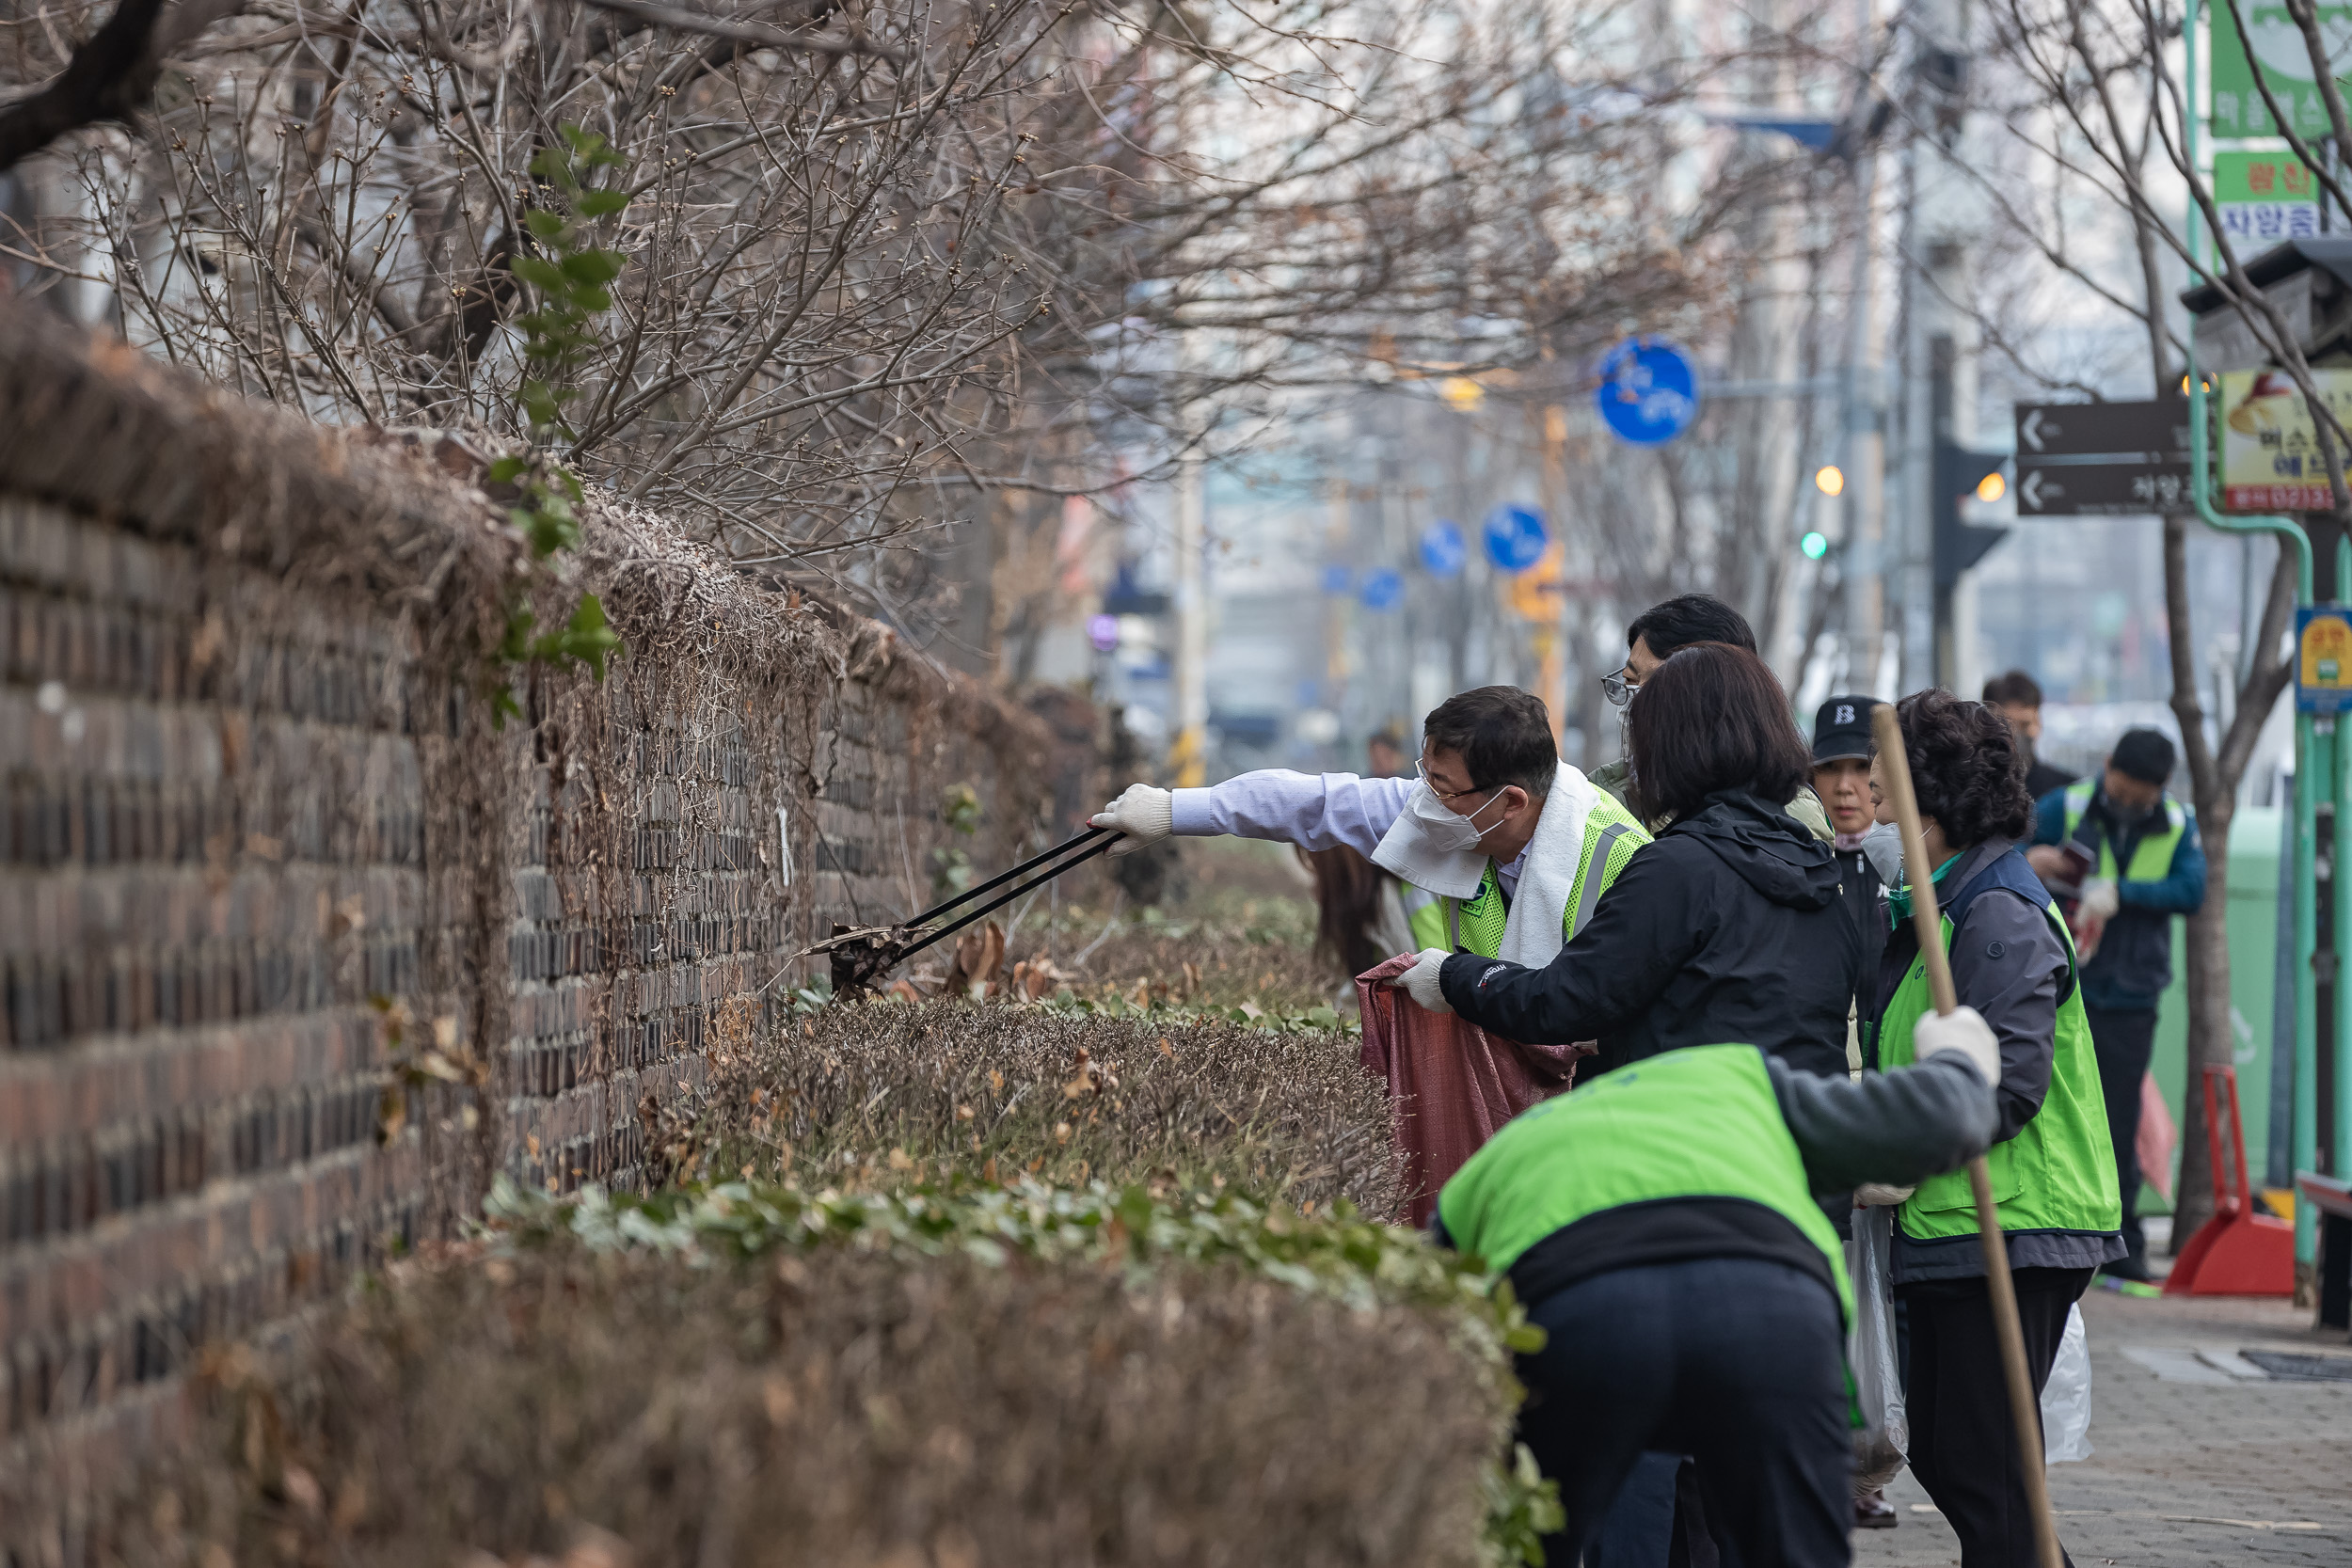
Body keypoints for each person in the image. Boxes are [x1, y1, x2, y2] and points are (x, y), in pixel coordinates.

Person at [1434, 1018, 2004, 1566]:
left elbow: (1430, 1309)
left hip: (1580, 1315)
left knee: (1525, 1541)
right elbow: (1932, 1124)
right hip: (1768, 1310)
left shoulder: (1511, 1146)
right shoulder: (1744, 1084)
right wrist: (1960, 1062)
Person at [1868, 689, 2123, 1568]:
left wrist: (1889, 1136)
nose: (1867, 804)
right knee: (1948, 1450)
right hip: (1955, 1225)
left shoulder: (1996, 912)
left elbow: (2009, 1082)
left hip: (2014, 1226)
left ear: (1927, 804)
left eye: (1880, 786)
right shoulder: (1937, 904)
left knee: (1984, 1464)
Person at [1391, 643, 1855, 1083]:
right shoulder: (1818, 870)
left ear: (1671, 748)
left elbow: (1563, 1000)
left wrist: (1451, 975)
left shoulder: (1681, 868)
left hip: (1697, 1141)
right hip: (1798, 1143)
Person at [1089, 686, 1649, 974]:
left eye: (1444, 787)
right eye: (1422, 775)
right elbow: (1311, 803)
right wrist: (1172, 811)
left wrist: (1460, 984)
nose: (1423, 801)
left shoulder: (1622, 863)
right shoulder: (1450, 811)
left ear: (1510, 802)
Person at [2026, 726, 2206, 1283]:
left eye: (2141, 797)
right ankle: (2057, 1226)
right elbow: (2011, 856)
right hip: (2063, 983)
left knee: (2121, 1114)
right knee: (2057, 1107)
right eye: (2123, 789)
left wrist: (2123, 893)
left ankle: (2122, 1243)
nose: (2129, 803)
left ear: (2160, 789)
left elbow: (2191, 890)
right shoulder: (2066, 806)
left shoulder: (2177, 824)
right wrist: (2038, 861)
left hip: (2131, 992)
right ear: (2108, 767)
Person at [1809, 692, 1904, 1534]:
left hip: (1891, 1118)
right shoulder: (1800, 868)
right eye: (1830, 770)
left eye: (1861, 772)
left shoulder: (1899, 876)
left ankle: (1868, 1466)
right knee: (1839, 1297)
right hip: (1827, 1117)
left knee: (1880, 1306)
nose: (1846, 788)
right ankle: (1839, 1466)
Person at [1588, 593, 1836, 842]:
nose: (1637, 703)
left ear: (1721, 691)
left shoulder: (1791, 816)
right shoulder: (1596, 799)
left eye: (1656, 685)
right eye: (1630, 681)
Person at [1983, 670, 2076, 800]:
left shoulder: (2065, 792)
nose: (2014, 735)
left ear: (2038, 724)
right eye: (2005, 725)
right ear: (1985, 726)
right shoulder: (1971, 789)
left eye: (2024, 724)